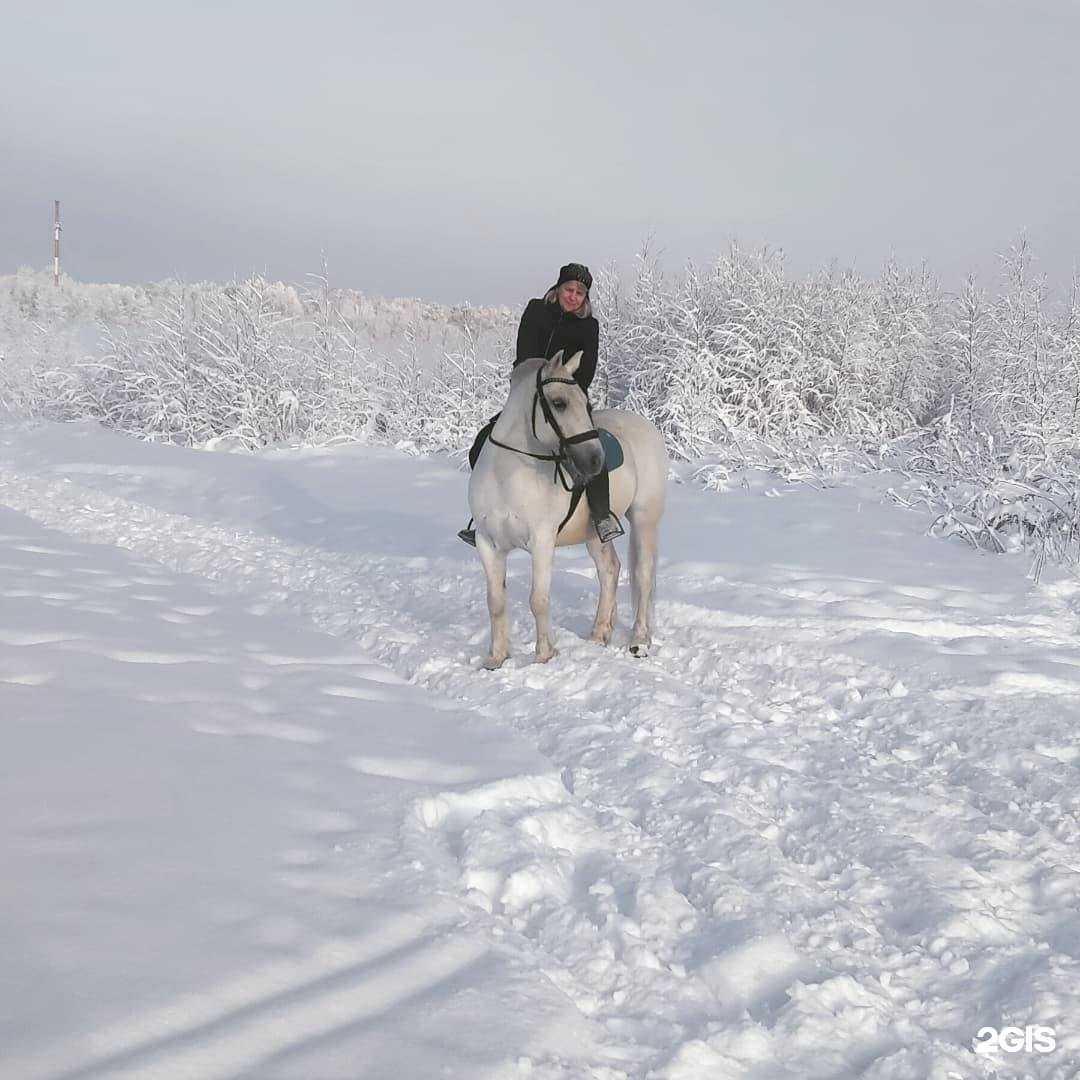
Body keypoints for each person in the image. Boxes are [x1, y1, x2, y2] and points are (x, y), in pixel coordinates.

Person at [458, 262, 624, 546]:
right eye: (569, 289)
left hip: (568, 399)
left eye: (580, 293)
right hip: (528, 395)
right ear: (558, 288)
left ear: (586, 298)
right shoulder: (536, 311)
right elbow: (524, 355)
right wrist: (537, 383)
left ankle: (601, 516)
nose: (573, 296)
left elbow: (586, 370)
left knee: (592, 451)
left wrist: (564, 389)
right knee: (482, 443)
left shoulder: (589, 326)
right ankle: (483, 516)